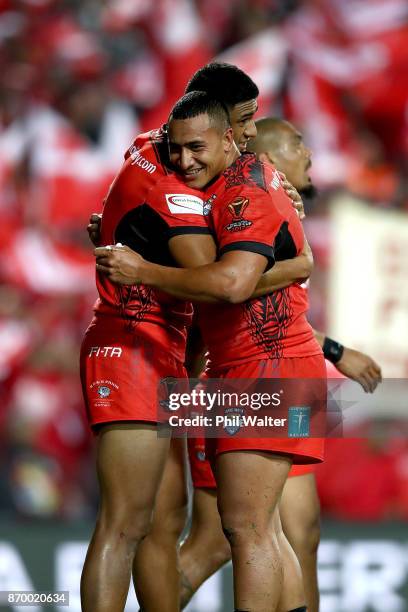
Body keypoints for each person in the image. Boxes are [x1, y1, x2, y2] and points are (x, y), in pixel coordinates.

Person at [81, 63, 311, 612]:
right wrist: (298, 262)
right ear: (224, 127)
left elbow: (231, 282)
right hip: (164, 354)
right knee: (186, 526)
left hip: (244, 367)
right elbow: (226, 282)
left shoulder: (210, 179)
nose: (253, 133)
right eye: (247, 120)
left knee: (247, 529)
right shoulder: (192, 190)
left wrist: (132, 248)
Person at [177, 117, 382, 612]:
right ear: (268, 157)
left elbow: (274, 313)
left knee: (297, 530)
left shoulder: (283, 207)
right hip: (236, 379)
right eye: (297, 142)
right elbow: (233, 293)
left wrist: (330, 350)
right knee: (228, 539)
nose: (309, 150)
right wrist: (337, 351)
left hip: (281, 372)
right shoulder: (246, 205)